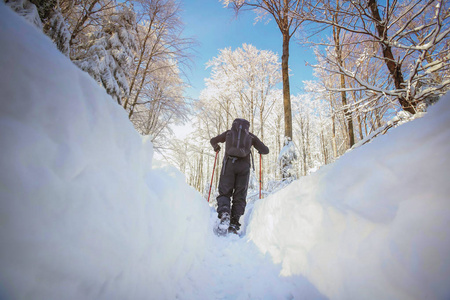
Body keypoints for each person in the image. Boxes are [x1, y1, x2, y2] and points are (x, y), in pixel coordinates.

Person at [210, 118, 269, 235]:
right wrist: (259, 151)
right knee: (240, 195)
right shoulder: (250, 137)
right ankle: (234, 223)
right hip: (244, 168)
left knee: (224, 192)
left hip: (228, 166)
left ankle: (225, 213)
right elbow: (265, 150)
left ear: (234, 125)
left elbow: (213, 140)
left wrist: (216, 147)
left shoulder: (228, 133)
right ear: (247, 127)